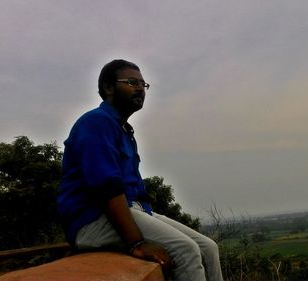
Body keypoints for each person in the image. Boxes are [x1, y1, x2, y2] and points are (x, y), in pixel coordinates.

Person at [57, 59, 223, 281]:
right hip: (92, 220)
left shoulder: (123, 130)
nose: (140, 89)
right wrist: (137, 242)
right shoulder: (96, 123)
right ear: (108, 88)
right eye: (131, 82)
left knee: (208, 247)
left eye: (143, 85)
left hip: (132, 210)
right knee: (186, 250)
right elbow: (106, 187)